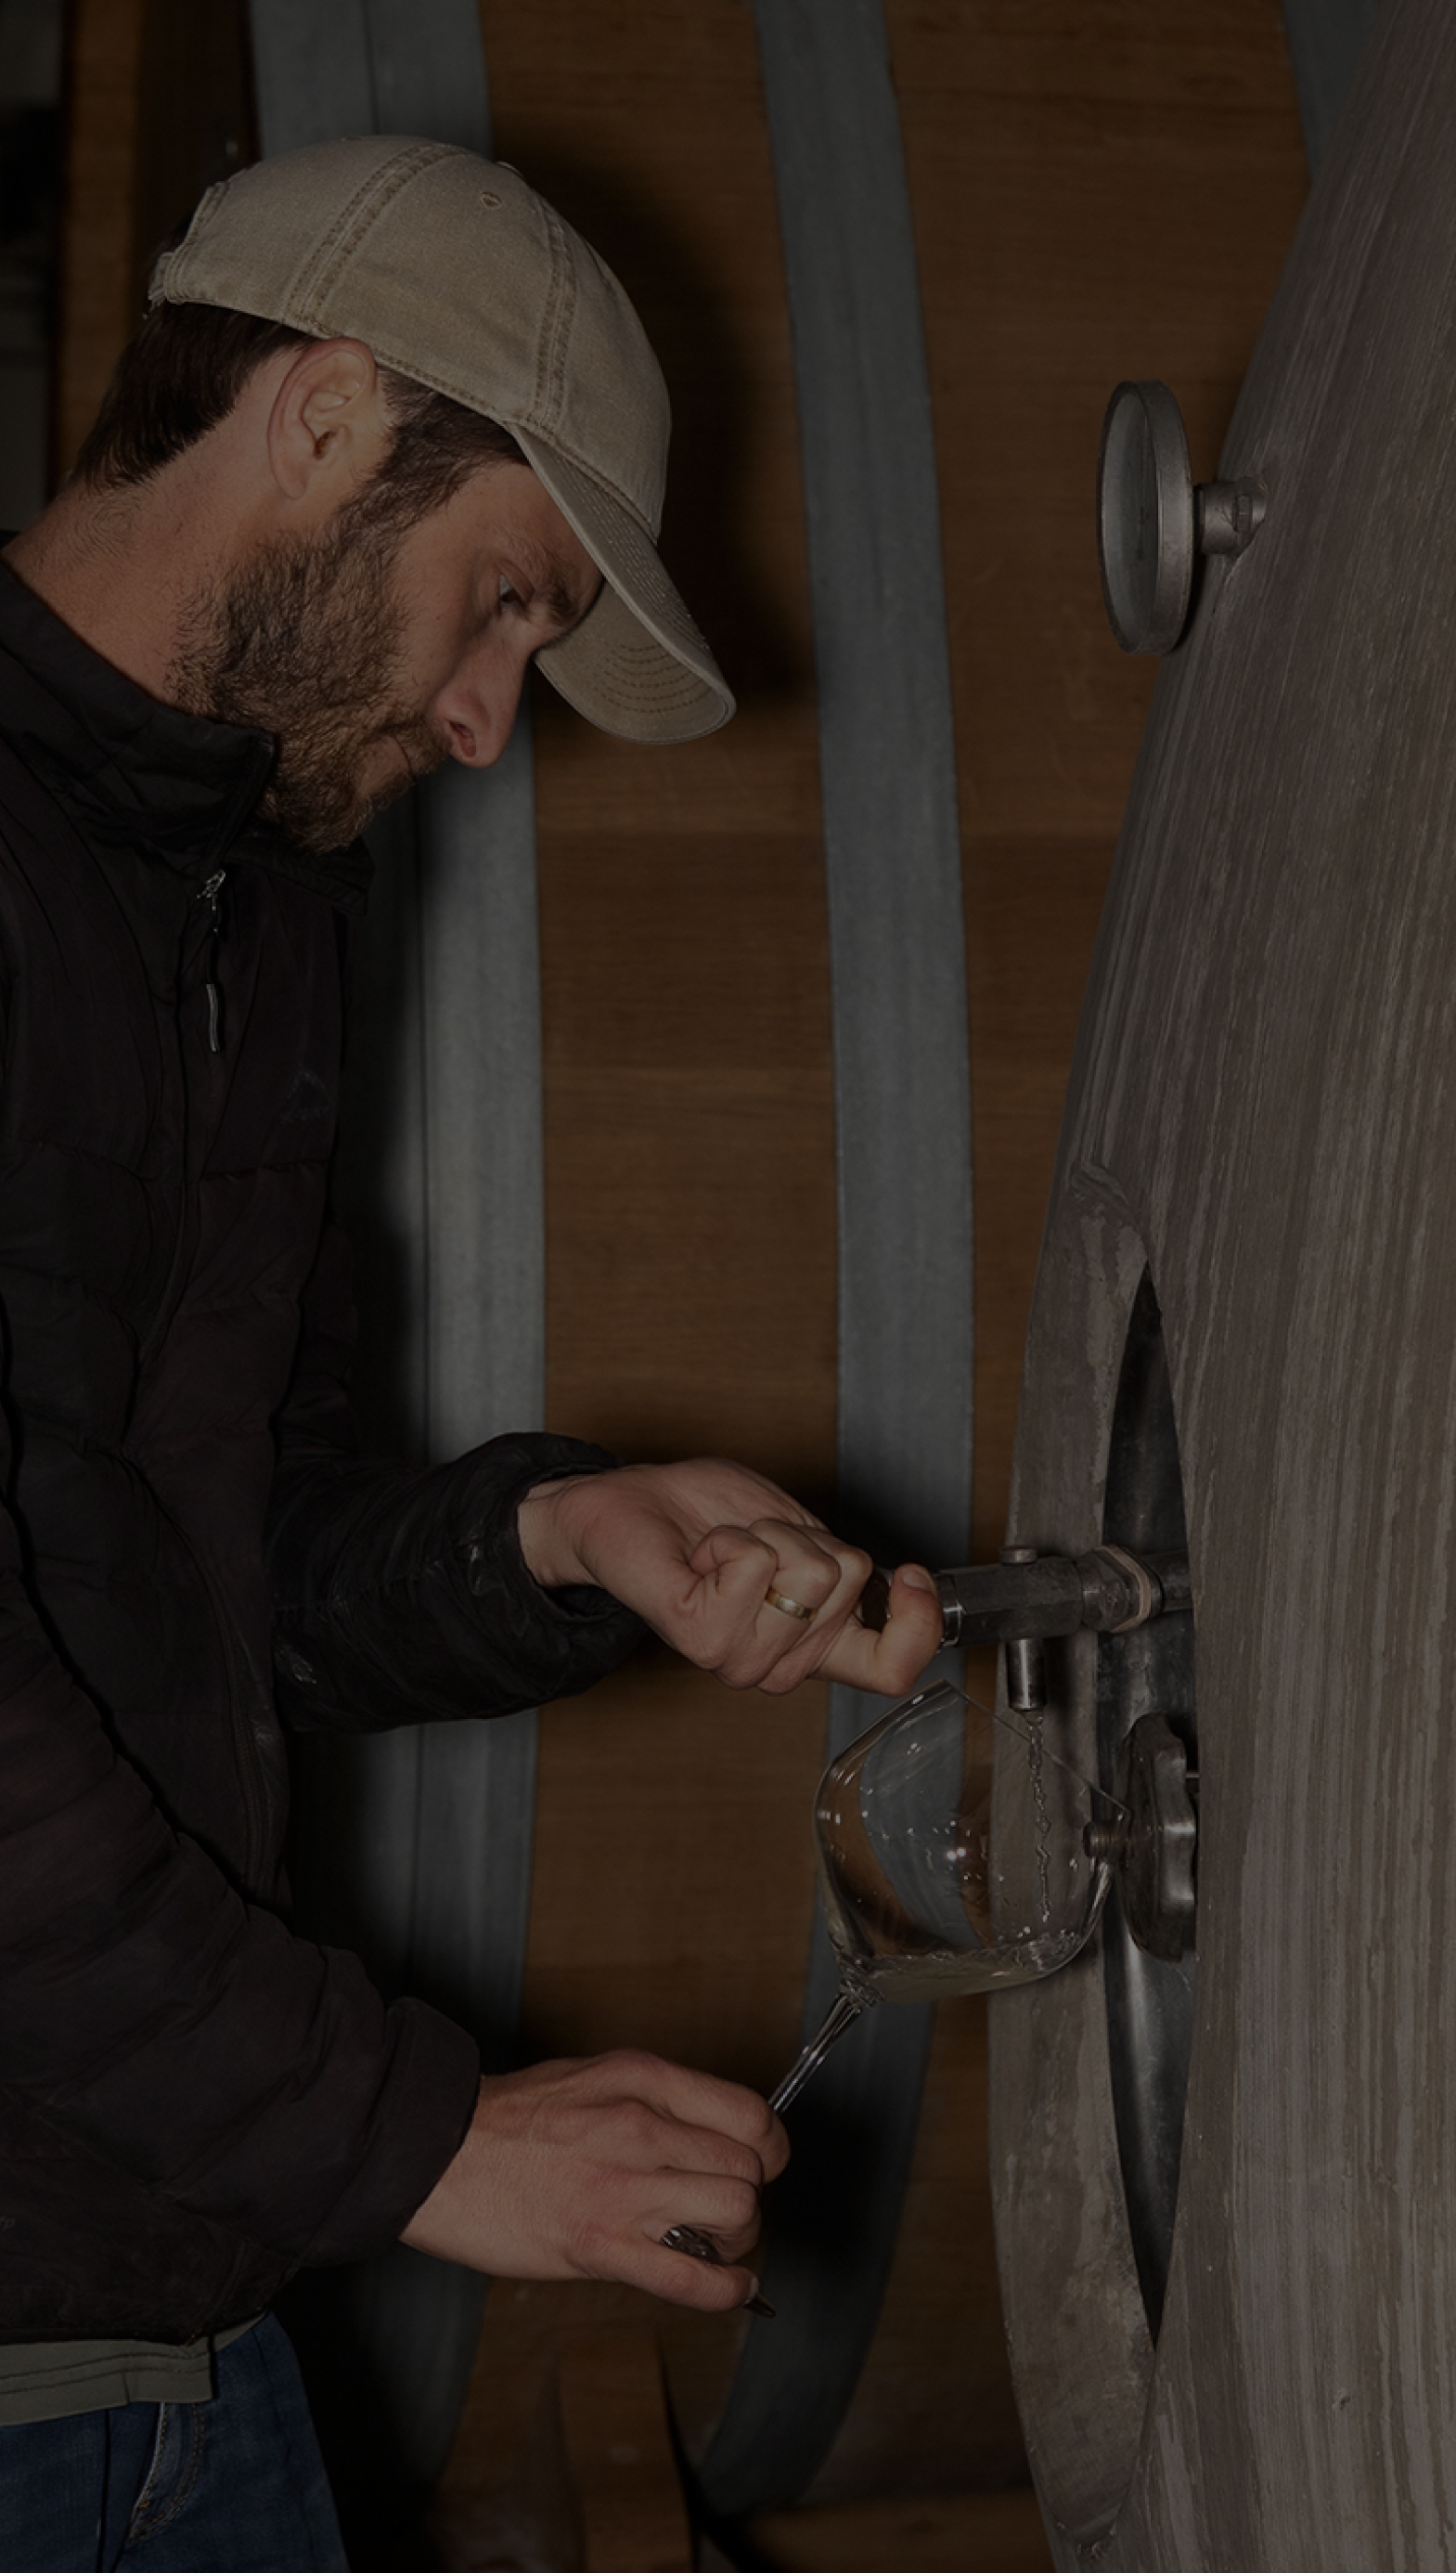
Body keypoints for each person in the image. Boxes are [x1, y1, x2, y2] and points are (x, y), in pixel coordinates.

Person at [0, 136, 941, 2565]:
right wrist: (417, 2132)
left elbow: (253, 1564)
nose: (492, 723)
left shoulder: (254, 904)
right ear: (318, 422)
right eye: (499, 605)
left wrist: (566, 1529)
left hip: (192, 2333)